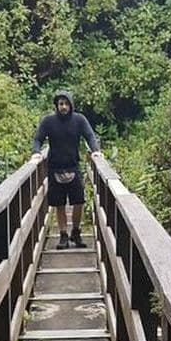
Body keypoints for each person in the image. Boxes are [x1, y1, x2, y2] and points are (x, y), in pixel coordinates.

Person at [31, 90, 101, 249]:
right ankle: (63, 235)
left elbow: (89, 136)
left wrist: (95, 150)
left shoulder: (79, 120)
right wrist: (36, 153)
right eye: (61, 104)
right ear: (56, 106)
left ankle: (75, 232)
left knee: (79, 201)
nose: (63, 107)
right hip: (55, 167)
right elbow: (38, 139)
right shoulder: (48, 121)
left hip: (73, 166)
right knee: (59, 204)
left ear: (71, 105)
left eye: (66, 103)